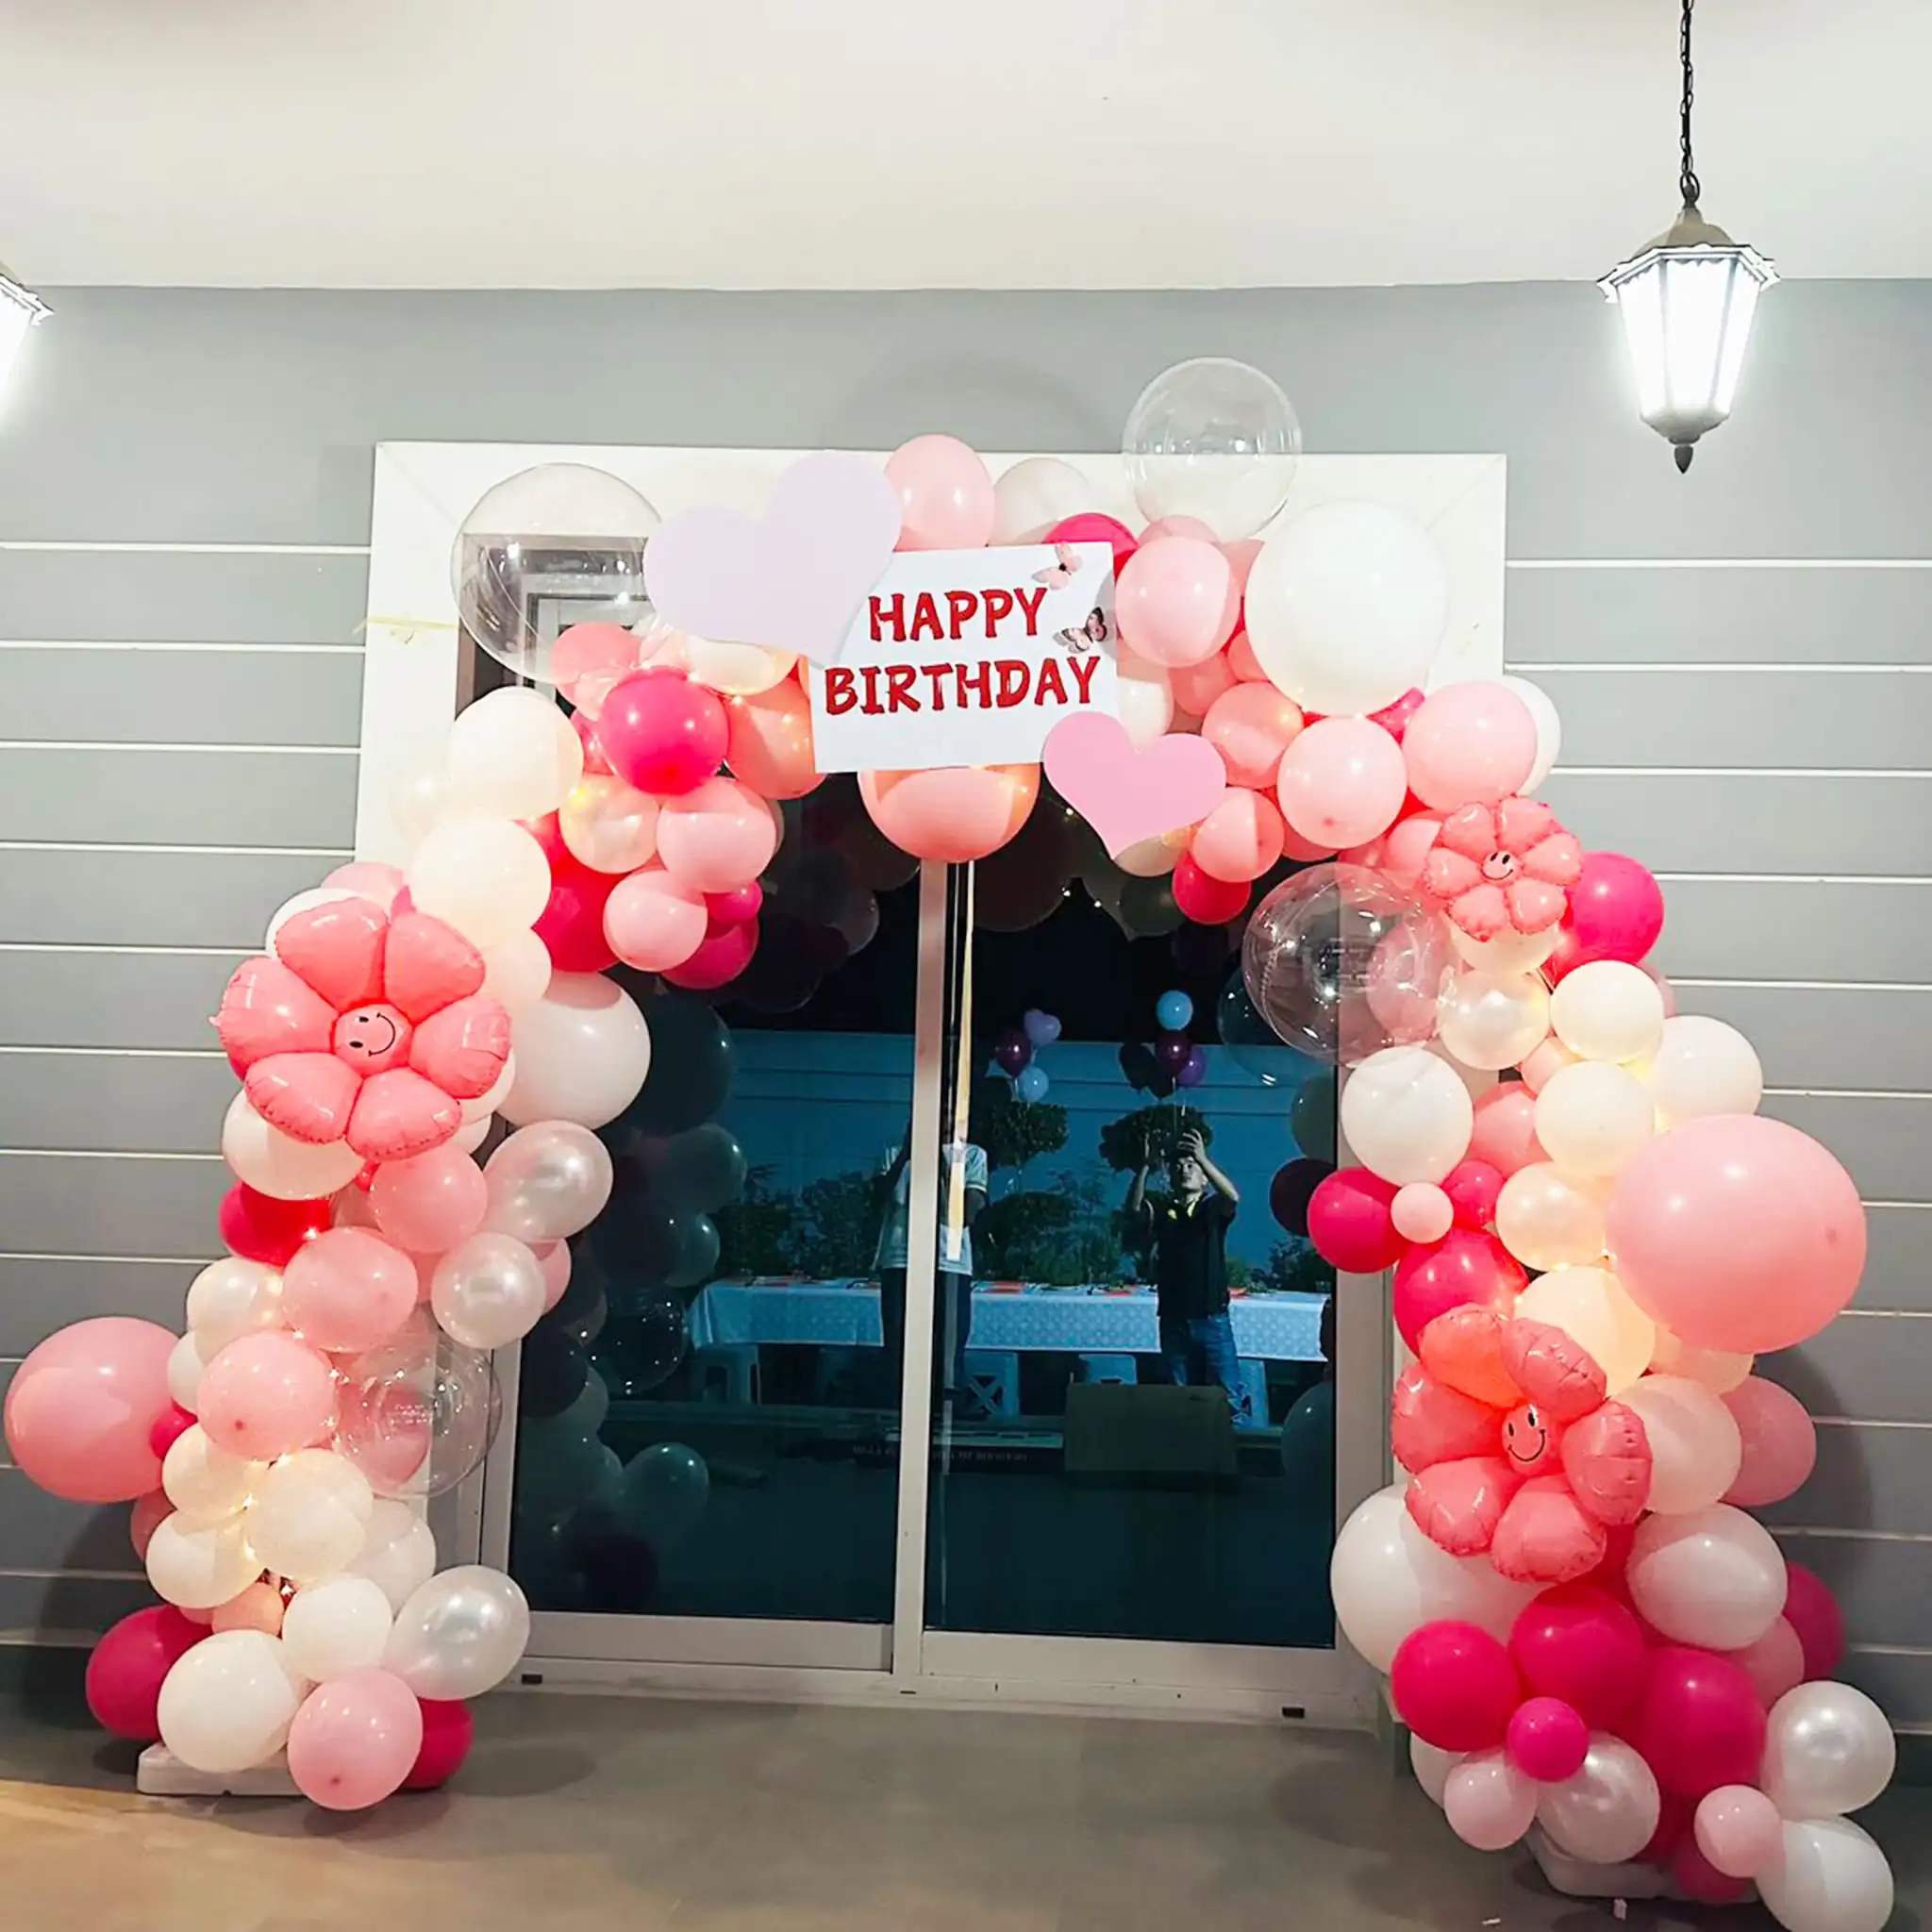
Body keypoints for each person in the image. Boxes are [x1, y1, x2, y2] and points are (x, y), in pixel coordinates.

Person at [1124, 1122, 1247, 1419]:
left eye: (1191, 1166)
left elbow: (1233, 1197)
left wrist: (1203, 1157)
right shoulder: (1164, 1209)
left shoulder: (1211, 1209)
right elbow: (1133, 1211)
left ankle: (1232, 1457)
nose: (1185, 1170)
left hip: (1211, 1319)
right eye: (1179, 1166)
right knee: (1178, 1397)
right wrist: (1145, 1166)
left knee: (1229, 1398)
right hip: (1174, 1320)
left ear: (1205, 1178)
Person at [873, 1125, 988, 1413]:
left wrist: (940, 1161)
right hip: (902, 1260)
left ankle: (945, 1419)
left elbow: (966, 1213)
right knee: (899, 1346)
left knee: (948, 1350)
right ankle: (899, 1417)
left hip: (949, 1263)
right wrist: (906, 1158)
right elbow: (876, 1201)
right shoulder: (893, 1155)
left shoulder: (971, 1156)